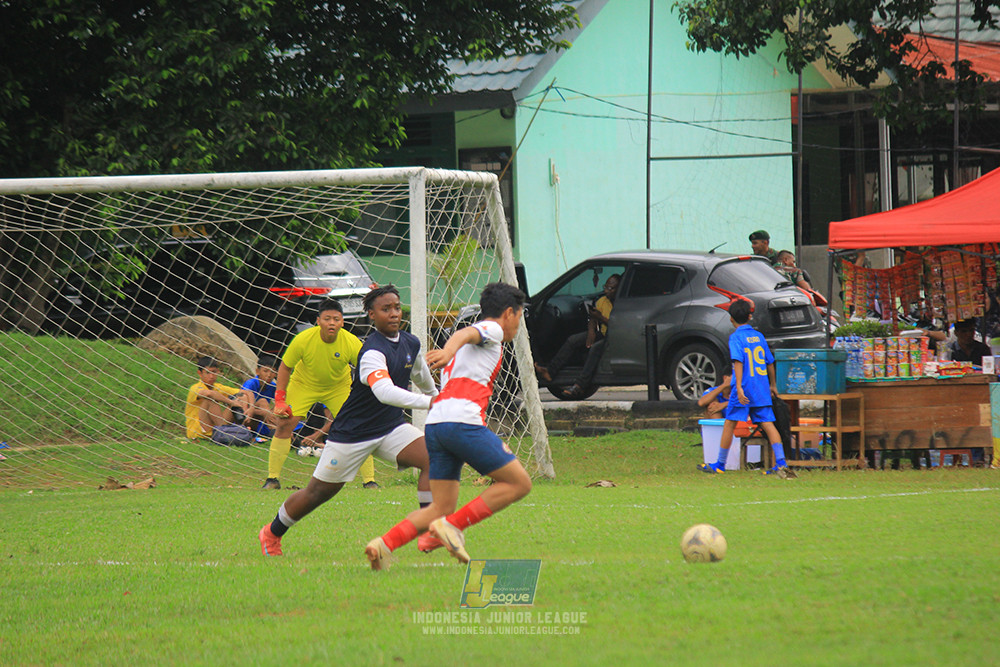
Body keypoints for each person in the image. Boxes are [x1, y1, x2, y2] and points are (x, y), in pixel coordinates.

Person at [258, 285, 439, 557]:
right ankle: (272, 532)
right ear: (371, 315)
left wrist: (438, 396)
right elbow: (384, 392)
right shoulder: (371, 352)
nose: (393, 313)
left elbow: (420, 374)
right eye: (385, 309)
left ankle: (427, 531)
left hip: (390, 428)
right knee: (317, 493)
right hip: (353, 434)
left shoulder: (410, 343)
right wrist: (430, 402)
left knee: (433, 459)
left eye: (397, 307)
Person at [363, 282, 531, 571]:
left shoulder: (478, 342)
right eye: (519, 315)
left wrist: (449, 353)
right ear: (508, 313)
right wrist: (447, 349)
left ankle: (383, 544)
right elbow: (465, 333)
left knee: (439, 507)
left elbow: (466, 338)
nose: (519, 323)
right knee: (518, 483)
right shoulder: (492, 329)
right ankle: (450, 527)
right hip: (461, 421)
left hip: (437, 423)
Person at [260, 298, 362, 490]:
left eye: (336, 319)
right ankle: (272, 479)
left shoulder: (351, 342)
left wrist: (365, 396)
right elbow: (284, 368)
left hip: (337, 387)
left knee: (358, 427)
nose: (332, 323)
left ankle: (370, 481)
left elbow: (366, 368)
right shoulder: (303, 339)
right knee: (284, 425)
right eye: (327, 319)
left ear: (342, 322)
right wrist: (280, 400)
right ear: (318, 321)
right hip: (303, 385)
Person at [698, 299, 792, 477]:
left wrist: (739, 387)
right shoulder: (759, 336)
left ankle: (719, 464)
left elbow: (738, 362)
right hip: (761, 387)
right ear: (750, 316)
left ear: (731, 319)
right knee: (768, 423)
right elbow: (770, 362)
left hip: (745, 386)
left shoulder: (736, 338)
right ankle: (781, 463)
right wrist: (773, 384)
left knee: (729, 424)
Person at [534, 274, 621, 397]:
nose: (607, 291)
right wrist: (591, 331)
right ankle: (550, 371)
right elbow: (592, 317)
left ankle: (580, 385)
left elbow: (620, 325)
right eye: (605, 287)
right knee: (572, 340)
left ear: (619, 289)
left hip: (617, 335)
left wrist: (600, 318)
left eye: (611, 288)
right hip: (602, 333)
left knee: (595, 348)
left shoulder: (622, 303)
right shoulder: (602, 301)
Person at [184, 356, 252, 446]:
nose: (211, 376)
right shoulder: (195, 388)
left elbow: (248, 392)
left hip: (216, 426)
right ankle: (224, 433)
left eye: (214, 372)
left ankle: (242, 431)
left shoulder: (218, 387)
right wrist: (231, 402)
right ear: (200, 373)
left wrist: (251, 408)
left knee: (241, 397)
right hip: (199, 430)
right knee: (210, 400)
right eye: (207, 373)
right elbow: (209, 394)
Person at [240, 354, 279, 439]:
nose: (269, 375)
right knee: (263, 401)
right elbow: (242, 407)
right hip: (246, 418)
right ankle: (275, 430)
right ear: (258, 371)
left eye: (272, 372)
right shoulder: (251, 383)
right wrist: (263, 412)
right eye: (265, 371)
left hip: (261, 421)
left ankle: (276, 431)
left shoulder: (272, 387)